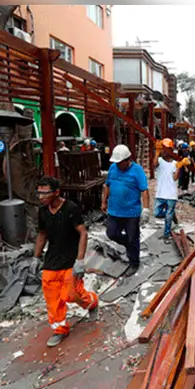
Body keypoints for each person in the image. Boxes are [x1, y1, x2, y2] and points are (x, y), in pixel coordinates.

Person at [34, 176, 99, 347]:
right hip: (52, 260)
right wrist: (36, 257)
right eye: (39, 193)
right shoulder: (43, 212)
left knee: (71, 295)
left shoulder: (71, 208)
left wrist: (80, 260)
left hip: (70, 259)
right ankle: (60, 329)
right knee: (52, 298)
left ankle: (92, 302)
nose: (41, 197)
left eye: (45, 193)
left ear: (56, 192)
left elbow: (83, 233)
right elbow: (42, 234)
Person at [102, 144, 150, 271]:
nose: (118, 165)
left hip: (131, 213)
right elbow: (107, 185)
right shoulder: (113, 168)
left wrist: (146, 209)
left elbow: (144, 190)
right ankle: (130, 246)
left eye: (120, 162)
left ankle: (134, 263)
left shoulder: (137, 170)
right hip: (114, 210)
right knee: (111, 233)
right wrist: (104, 202)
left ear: (127, 160)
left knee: (133, 237)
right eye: (116, 162)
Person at [154, 139, 181, 240]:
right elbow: (154, 165)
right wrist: (157, 153)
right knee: (156, 213)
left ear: (171, 150)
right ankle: (171, 215)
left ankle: (167, 234)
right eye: (163, 149)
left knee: (167, 217)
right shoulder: (159, 161)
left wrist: (179, 167)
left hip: (171, 194)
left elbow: (175, 178)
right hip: (160, 193)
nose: (164, 151)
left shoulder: (175, 163)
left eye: (166, 149)